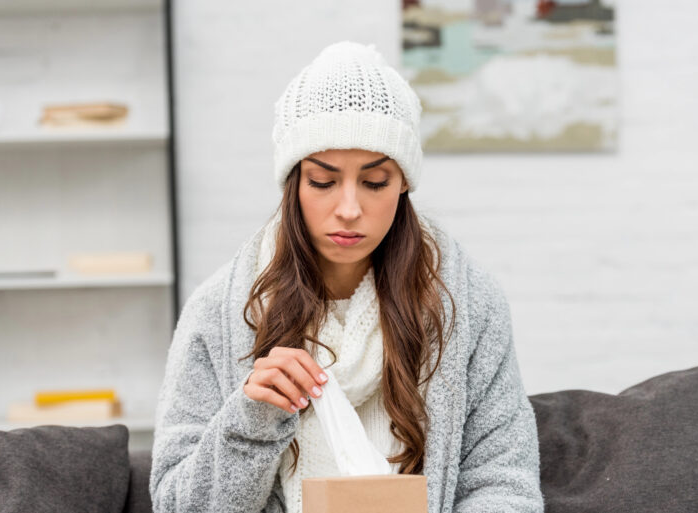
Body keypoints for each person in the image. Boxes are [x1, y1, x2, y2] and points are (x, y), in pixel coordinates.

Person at [149, 40, 544, 513]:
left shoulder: (469, 305)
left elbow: (506, 487)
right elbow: (176, 506)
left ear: (403, 184)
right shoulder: (219, 311)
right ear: (294, 182)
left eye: (375, 182)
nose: (350, 209)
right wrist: (249, 422)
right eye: (323, 181)